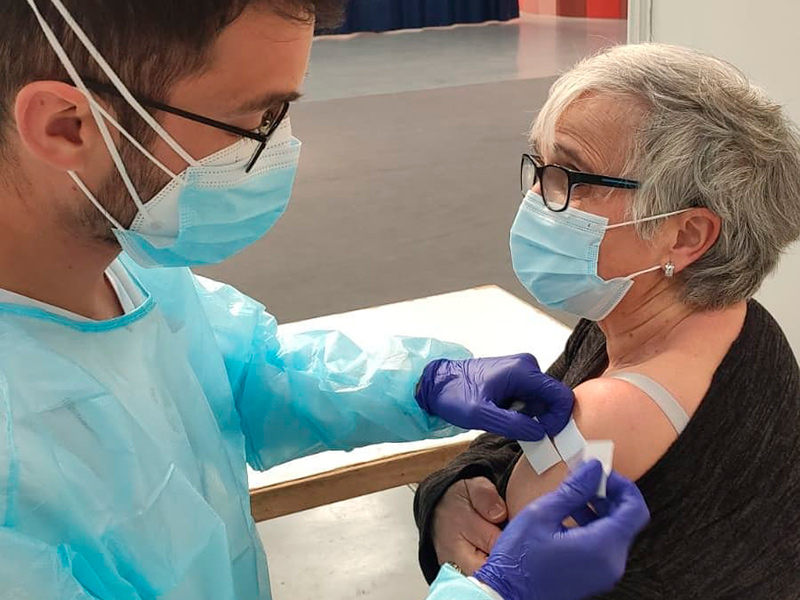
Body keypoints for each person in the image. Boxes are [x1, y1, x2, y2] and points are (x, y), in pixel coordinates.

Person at [0, 1, 648, 599]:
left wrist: (418, 385)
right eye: (257, 118)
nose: (280, 147)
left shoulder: (133, 272)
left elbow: (247, 375)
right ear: (67, 125)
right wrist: (494, 592)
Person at [414, 43, 800, 598]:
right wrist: (449, 492)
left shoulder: (612, 415)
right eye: (540, 165)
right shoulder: (702, 317)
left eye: (573, 176)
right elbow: (504, 448)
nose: (537, 196)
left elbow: (496, 549)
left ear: (686, 235)